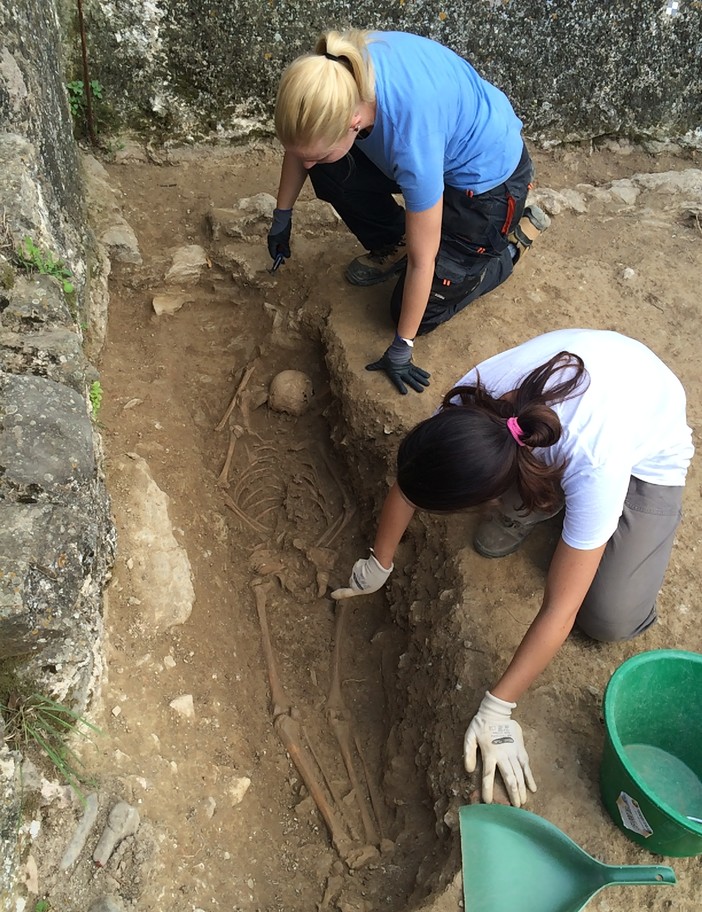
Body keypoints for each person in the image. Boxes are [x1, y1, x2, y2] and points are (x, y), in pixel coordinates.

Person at [331, 329, 694, 807]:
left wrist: (498, 709)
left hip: (646, 441)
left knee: (606, 617)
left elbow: (559, 611)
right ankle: (547, 502)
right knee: (563, 517)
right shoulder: (467, 406)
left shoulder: (597, 462)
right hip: (587, 396)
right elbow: (412, 483)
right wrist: (379, 562)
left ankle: (572, 513)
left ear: (490, 495)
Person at [268, 29, 550, 397]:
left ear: (353, 123)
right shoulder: (334, 76)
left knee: (413, 312)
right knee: (328, 167)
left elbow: (423, 259)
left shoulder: (411, 139)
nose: (304, 163)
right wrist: (282, 215)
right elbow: (302, 145)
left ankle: (508, 247)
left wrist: (403, 346)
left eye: (315, 152)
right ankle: (393, 240)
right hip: (439, 150)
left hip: (488, 187)